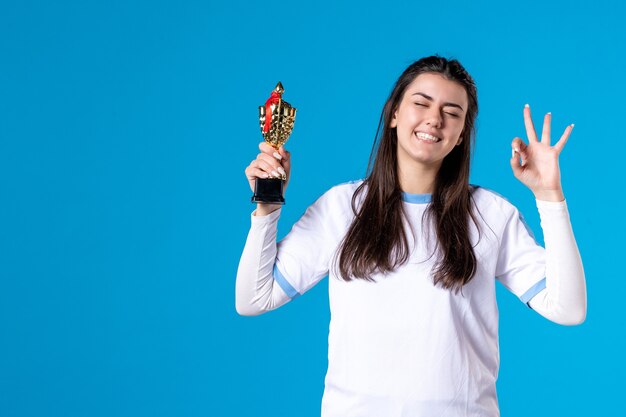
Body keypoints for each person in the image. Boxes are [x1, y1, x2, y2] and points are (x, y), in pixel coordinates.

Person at [236, 55, 586, 417]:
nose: (435, 119)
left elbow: (568, 308)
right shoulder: (340, 208)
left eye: (452, 112)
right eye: (421, 103)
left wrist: (549, 196)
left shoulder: (489, 214)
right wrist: (267, 208)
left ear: (461, 133)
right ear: (394, 115)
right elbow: (254, 298)